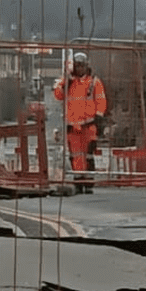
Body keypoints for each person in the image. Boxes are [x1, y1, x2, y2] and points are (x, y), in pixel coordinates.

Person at [52, 51, 107, 193]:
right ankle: (78, 181)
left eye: (82, 65)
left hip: (89, 125)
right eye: (77, 66)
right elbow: (57, 95)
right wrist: (64, 82)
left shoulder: (94, 82)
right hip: (72, 126)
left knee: (88, 154)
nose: (79, 68)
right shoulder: (69, 82)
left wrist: (99, 120)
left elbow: (101, 101)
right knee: (75, 156)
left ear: (86, 66)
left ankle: (88, 183)